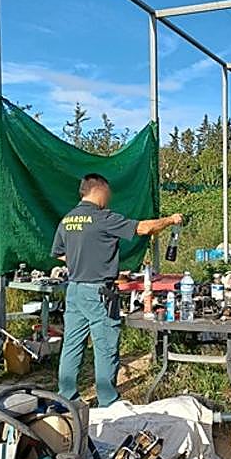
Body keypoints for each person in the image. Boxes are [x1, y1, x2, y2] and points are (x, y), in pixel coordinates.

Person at [52, 173, 182, 407]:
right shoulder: (102, 218)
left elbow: (61, 253)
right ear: (99, 190)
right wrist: (171, 220)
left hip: (74, 290)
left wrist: (85, 260)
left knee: (71, 345)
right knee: (105, 346)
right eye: (108, 193)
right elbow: (143, 228)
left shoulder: (67, 219)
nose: (109, 198)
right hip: (99, 293)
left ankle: (65, 399)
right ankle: (107, 401)